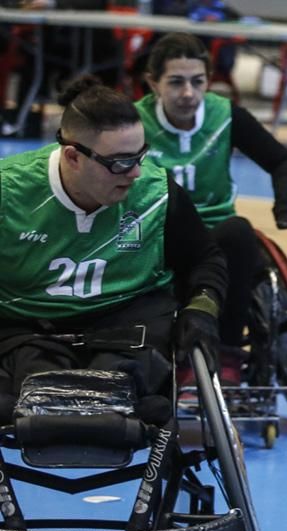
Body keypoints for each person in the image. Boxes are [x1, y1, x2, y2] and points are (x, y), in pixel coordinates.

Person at [0, 75, 227, 424]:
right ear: (73, 156)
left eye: (140, 155)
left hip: (127, 321)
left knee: (123, 374)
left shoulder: (155, 191)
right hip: (30, 324)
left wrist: (202, 309)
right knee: (35, 376)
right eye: (120, 162)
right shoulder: (9, 192)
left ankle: (109, 405)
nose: (135, 172)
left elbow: (204, 258)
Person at [136, 33, 287, 383]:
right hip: (156, 238)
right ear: (153, 83)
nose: (188, 93)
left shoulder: (224, 116)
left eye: (197, 81)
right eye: (176, 82)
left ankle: (228, 354)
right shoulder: (133, 123)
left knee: (239, 232)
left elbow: (281, 160)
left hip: (214, 237)